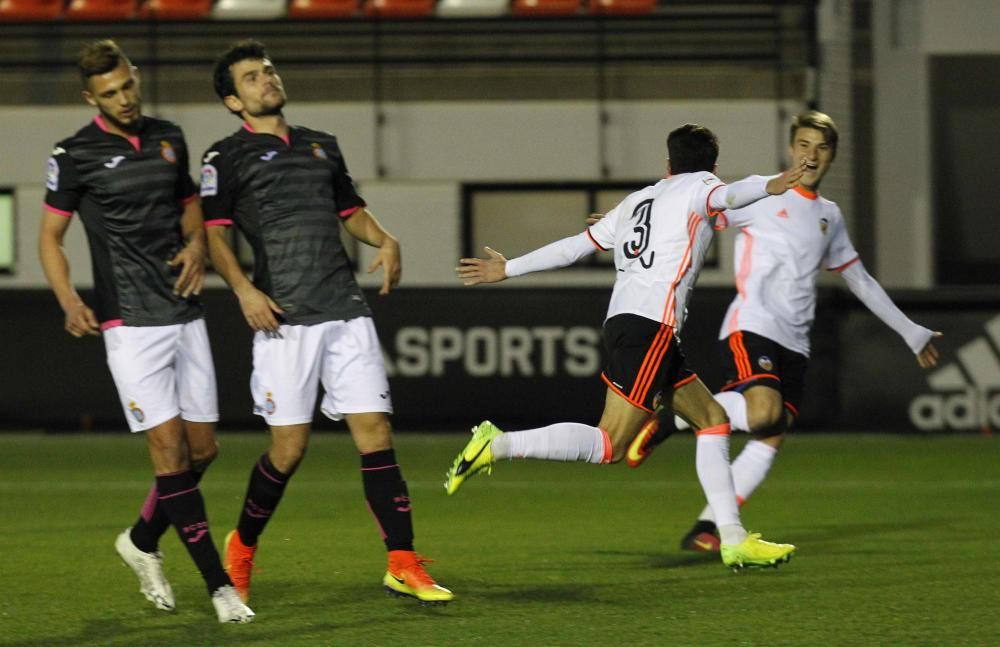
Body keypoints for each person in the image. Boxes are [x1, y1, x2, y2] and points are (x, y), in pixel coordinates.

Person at [444, 124, 805, 570]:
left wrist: (510, 267)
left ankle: (731, 537)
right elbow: (730, 197)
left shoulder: (637, 202)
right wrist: (773, 185)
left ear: (667, 164)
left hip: (627, 323)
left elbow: (576, 247)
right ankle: (497, 444)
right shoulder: (703, 188)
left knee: (712, 420)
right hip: (651, 327)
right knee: (611, 443)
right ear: (712, 166)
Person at [200, 39, 452, 606]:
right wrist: (243, 290)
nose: (267, 80)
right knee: (288, 450)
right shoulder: (224, 157)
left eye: (268, 70)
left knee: (376, 434)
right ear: (233, 102)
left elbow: (350, 212)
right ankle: (241, 548)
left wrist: (384, 237)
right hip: (284, 318)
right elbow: (214, 234)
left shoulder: (321, 146)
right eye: (251, 78)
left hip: (344, 309)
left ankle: (402, 562)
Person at [625, 111, 942, 553]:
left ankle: (707, 528)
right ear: (791, 149)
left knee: (772, 431)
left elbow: (860, 280)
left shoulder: (829, 216)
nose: (811, 155)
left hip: (797, 340)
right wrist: (633, 223)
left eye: (822, 147)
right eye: (804, 145)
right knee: (762, 413)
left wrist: (911, 332)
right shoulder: (761, 193)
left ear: (831, 156)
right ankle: (677, 417)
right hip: (752, 324)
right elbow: (696, 212)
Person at [37, 40, 253, 623]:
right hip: (128, 322)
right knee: (168, 454)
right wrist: (66, 298)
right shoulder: (75, 153)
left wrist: (193, 246)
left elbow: (190, 208)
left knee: (203, 449)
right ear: (91, 98)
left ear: (135, 77)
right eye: (110, 93)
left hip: (183, 310)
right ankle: (219, 589)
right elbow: (49, 239)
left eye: (128, 85)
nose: (125, 99)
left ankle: (139, 539)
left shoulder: (168, 136)